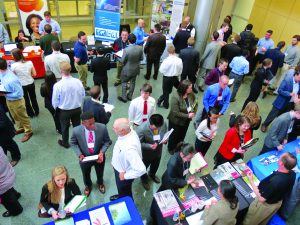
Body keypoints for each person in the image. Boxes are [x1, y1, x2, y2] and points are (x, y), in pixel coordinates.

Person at [242, 153, 297, 225]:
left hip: (264, 206)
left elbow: (261, 199)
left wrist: (251, 180)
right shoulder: (293, 173)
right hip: (277, 203)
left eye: (279, 158)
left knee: (251, 222)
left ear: (281, 163)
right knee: (263, 221)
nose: (278, 159)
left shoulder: (275, 181)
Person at [70, 112, 111, 196]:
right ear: (83, 123)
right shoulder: (76, 130)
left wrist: (102, 152)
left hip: (99, 158)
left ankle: (100, 183)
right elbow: (73, 142)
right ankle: (88, 186)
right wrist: (79, 154)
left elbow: (107, 141)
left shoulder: (102, 128)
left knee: (100, 172)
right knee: (85, 174)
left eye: (94, 122)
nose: (93, 126)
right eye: (90, 124)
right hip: (84, 158)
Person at [110, 118, 146, 201]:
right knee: (122, 190)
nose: (113, 129)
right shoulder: (130, 131)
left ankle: (126, 202)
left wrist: (125, 176)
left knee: (125, 191)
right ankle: (121, 195)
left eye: (115, 128)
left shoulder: (129, 149)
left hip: (123, 173)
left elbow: (141, 170)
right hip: (120, 167)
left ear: (122, 130)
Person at [52, 62, 85, 148]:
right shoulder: (78, 81)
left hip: (64, 111)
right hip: (77, 109)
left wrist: (57, 108)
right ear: (70, 69)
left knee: (64, 127)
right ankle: (78, 141)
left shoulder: (58, 85)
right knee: (77, 126)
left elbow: (55, 101)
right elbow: (83, 94)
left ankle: (65, 143)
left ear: (60, 71)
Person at [0, 58, 33, 142]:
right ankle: (21, 128)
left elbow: (19, 93)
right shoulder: (2, 74)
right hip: (9, 100)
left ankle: (28, 131)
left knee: (23, 116)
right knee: (15, 116)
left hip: (17, 101)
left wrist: (5, 94)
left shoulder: (12, 79)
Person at [261, 66, 300, 132]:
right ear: (296, 75)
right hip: (281, 102)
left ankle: (277, 129)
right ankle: (265, 125)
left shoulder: (299, 84)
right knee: (272, 115)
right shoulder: (287, 80)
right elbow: (280, 90)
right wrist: (289, 94)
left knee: (284, 118)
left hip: (290, 104)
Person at [137, 114, 168, 190]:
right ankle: (144, 179)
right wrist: (149, 146)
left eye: (159, 127)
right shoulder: (142, 129)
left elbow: (165, 132)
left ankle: (152, 174)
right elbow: (138, 144)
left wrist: (165, 139)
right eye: (156, 127)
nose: (158, 128)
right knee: (144, 167)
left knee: (156, 164)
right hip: (147, 153)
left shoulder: (163, 123)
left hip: (158, 150)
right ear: (150, 124)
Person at [167, 80, 196, 154]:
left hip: (186, 121)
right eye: (190, 88)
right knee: (173, 136)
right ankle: (171, 148)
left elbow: (195, 102)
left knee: (182, 135)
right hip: (176, 121)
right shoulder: (175, 97)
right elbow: (175, 112)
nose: (191, 89)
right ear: (184, 89)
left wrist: (194, 111)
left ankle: (179, 146)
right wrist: (188, 115)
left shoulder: (191, 94)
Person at [11, 48, 39, 118]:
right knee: (33, 97)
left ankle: (30, 113)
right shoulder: (30, 62)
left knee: (26, 100)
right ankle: (36, 111)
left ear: (15, 56)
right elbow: (34, 74)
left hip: (22, 85)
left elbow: (13, 77)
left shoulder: (13, 66)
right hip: (31, 82)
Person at [118, 33, 143, 103]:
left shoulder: (126, 50)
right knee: (133, 83)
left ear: (128, 41)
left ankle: (124, 97)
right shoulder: (140, 48)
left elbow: (122, 61)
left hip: (127, 70)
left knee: (124, 82)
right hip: (135, 69)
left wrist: (117, 57)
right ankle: (130, 96)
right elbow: (141, 58)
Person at [0, 147, 22, 218]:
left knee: (5, 197)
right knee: (8, 190)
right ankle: (16, 195)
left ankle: (16, 210)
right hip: (8, 172)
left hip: (2, 183)